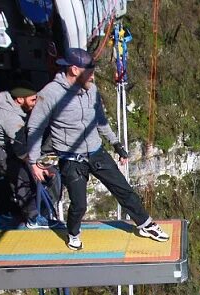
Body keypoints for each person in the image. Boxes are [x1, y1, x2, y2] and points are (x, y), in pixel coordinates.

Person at [26, 47, 169, 251]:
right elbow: (35, 127)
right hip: (71, 158)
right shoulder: (50, 94)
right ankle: (73, 233)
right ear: (74, 70)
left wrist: (116, 143)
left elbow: (100, 120)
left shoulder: (91, 90)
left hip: (95, 151)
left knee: (123, 190)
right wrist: (34, 162)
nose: (93, 77)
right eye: (89, 72)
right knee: (79, 204)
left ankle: (146, 224)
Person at [0, 84, 60, 228]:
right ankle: (32, 216)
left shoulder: (5, 98)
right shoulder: (11, 119)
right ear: (19, 100)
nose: (35, 103)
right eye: (32, 100)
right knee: (17, 171)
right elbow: (21, 151)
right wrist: (36, 166)